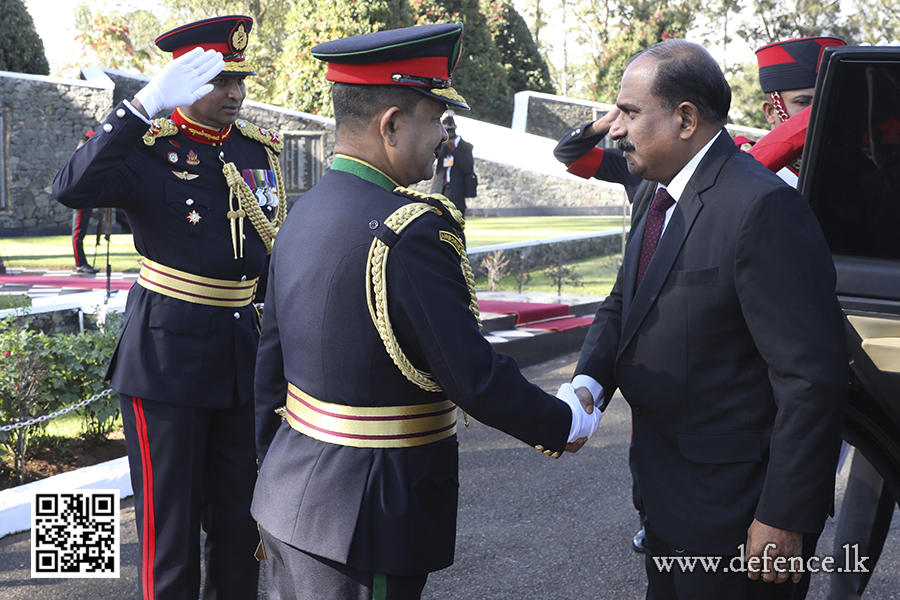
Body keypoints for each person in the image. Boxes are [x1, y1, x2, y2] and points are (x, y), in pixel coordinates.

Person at [251, 23, 599, 600]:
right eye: (435, 117)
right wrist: (564, 423)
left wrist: (274, 473)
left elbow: (270, 368)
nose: (444, 135)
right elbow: (472, 375)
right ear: (391, 124)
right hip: (368, 517)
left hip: (291, 499)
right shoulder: (408, 232)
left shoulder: (302, 212)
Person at [571, 39, 847, 598]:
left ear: (686, 119)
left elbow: (811, 377)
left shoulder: (761, 208)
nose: (617, 129)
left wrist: (784, 516)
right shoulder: (655, 192)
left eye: (628, 113)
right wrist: (586, 384)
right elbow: (626, 300)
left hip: (739, 516)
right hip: (667, 497)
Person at [52, 15, 286, 600]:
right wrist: (143, 106)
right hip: (166, 361)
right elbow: (70, 187)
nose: (235, 93)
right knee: (171, 533)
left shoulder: (256, 148)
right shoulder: (146, 146)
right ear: (183, 80)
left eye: (240, 80)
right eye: (218, 81)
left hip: (241, 357)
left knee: (240, 527)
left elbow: (270, 253)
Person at [749, 36, 846, 185]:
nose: (819, 111)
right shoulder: (749, 173)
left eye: (828, 100)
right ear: (770, 111)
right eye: (803, 102)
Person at [430, 112, 477, 214]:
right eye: (446, 129)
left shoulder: (465, 146)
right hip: (439, 190)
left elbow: (468, 169)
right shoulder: (441, 146)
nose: (448, 132)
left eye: (450, 129)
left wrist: (454, 149)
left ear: (455, 127)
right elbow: (430, 156)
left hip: (457, 192)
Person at [71, 130, 99, 274]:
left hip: (87, 198)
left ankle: (82, 263)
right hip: (81, 199)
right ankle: (80, 263)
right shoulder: (80, 157)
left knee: (81, 232)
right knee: (78, 233)